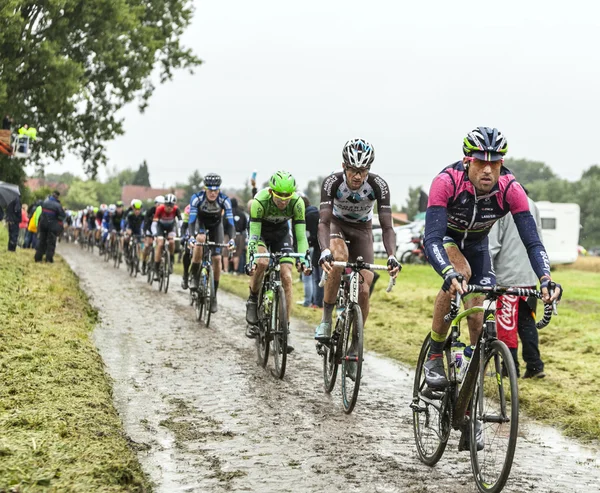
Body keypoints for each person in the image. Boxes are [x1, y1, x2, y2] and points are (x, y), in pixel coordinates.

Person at [422, 127, 562, 450]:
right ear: (467, 160)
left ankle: (469, 411)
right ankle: (434, 354)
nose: (488, 169)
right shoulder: (447, 182)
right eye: (481, 162)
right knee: (459, 273)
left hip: (478, 244)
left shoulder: (510, 189)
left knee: (478, 322)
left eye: (495, 162)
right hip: (446, 241)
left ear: (502, 164)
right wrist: (446, 270)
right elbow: (430, 239)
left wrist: (544, 279)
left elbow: (532, 240)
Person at [315, 138, 400, 375]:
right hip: (336, 225)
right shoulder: (332, 182)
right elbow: (322, 222)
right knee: (338, 258)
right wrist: (324, 251)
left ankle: (354, 345)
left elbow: (387, 227)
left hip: (363, 230)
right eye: (353, 170)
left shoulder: (378, 185)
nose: (357, 177)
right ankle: (327, 318)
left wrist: (392, 255)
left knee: (364, 289)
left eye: (363, 171)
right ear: (344, 166)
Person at [489, 195, 546, 379]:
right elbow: (538, 238)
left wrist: (485, 272)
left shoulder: (500, 201)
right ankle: (535, 366)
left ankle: (509, 368)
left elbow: (493, 244)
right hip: (529, 274)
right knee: (527, 322)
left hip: (506, 277)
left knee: (506, 325)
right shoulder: (532, 203)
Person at [187, 173, 236, 312]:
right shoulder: (197, 199)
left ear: (219, 190)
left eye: (216, 190)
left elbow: (231, 223)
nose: (213, 193)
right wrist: (191, 236)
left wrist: (232, 239)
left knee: (216, 258)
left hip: (216, 226)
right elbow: (191, 221)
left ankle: (214, 296)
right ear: (205, 189)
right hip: (201, 224)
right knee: (200, 240)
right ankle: (194, 276)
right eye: (210, 190)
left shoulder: (224, 200)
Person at [151, 193, 181, 279]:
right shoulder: (160, 209)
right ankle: (156, 269)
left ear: (174, 205)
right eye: (167, 205)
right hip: (160, 227)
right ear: (164, 204)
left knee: (171, 242)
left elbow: (180, 222)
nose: (169, 207)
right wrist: (155, 234)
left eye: (171, 205)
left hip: (171, 227)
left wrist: (180, 232)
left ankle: (171, 260)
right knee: (160, 245)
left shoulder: (176, 209)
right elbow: (154, 224)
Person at [34, 191, 66, 262]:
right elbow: (62, 216)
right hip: (52, 226)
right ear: (57, 197)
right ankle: (48, 259)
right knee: (51, 242)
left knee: (42, 241)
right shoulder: (58, 205)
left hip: (43, 225)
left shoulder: (45, 203)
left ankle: (38, 257)